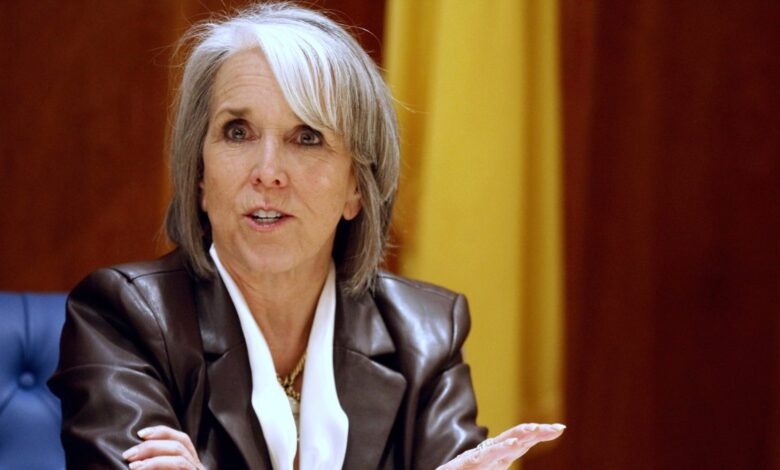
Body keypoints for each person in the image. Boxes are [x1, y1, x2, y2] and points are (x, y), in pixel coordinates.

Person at [48, 3, 564, 469]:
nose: (268, 172)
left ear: (357, 188)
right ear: (200, 177)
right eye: (237, 132)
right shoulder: (122, 318)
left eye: (307, 137)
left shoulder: (425, 335)